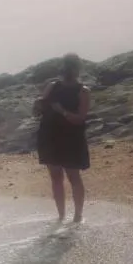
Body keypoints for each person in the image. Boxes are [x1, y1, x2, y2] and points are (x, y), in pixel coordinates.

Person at [34, 53, 91, 223]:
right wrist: (37, 105)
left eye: (72, 67)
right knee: (55, 177)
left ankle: (78, 215)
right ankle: (61, 216)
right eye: (67, 66)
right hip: (50, 135)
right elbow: (38, 111)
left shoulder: (83, 91)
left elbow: (81, 117)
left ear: (77, 69)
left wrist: (62, 111)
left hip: (71, 138)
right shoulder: (52, 86)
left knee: (73, 176)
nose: (69, 70)